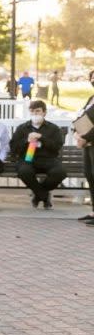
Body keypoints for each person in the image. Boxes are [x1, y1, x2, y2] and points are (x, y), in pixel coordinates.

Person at [11, 99, 66, 209]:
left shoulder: (53, 128)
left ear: (44, 112)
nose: (35, 114)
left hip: (48, 159)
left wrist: (42, 138)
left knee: (60, 172)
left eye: (38, 111)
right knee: (24, 171)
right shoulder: (22, 128)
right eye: (32, 111)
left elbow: (56, 147)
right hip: (28, 159)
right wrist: (27, 140)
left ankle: (38, 195)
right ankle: (44, 196)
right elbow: (14, 148)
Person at [75, 70, 94, 225]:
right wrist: (78, 133)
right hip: (88, 145)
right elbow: (82, 116)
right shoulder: (91, 99)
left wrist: (85, 137)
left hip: (90, 141)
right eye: (92, 77)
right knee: (90, 175)